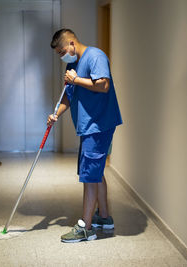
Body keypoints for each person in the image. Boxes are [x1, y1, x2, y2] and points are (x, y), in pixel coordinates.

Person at [48, 28, 123, 242]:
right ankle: (105, 218)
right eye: (58, 54)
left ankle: (85, 228)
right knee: (95, 171)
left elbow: (104, 85)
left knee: (89, 175)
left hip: (99, 124)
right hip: (88, 126)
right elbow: (68, 97)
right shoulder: (73, 65)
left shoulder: (95, 56)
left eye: (62, 51)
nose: (62, 56)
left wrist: (76, 80)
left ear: (72, 43)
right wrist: (55, 114)